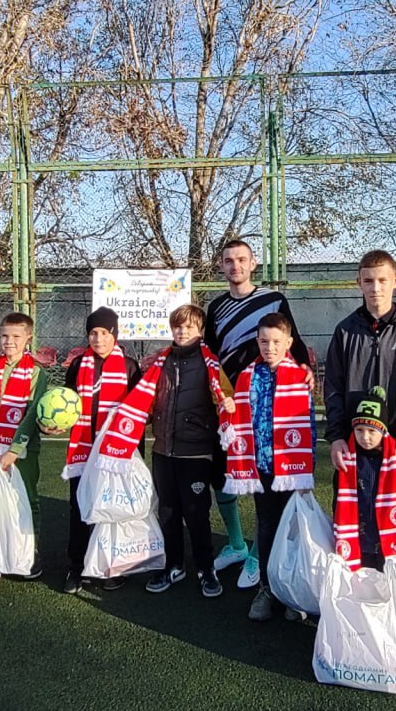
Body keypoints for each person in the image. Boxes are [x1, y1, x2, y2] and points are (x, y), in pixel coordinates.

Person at [92, 304, 235, 598]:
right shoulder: (160, 362)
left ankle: (206, 568)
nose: (182, 332)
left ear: (201, 331)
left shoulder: (210, 364)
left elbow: (226, 397)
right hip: (163, 450)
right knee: (167, 511)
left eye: (189, 327)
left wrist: (228, 405)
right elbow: (145, 400)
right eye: (178, 327)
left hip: (195, 452)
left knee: (196, 513)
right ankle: (174, 565)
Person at [324, 250, 396, 622]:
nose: (375, 288)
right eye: (368, 280)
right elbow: (333, 389)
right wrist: (336, 436)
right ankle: (357, 597)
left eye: (382, 280)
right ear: (358, 283)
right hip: (353, 450)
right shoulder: (344, 330)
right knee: (355, 521)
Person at [204, 239, 313, 589]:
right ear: (221, 266)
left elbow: (291, 340)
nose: (235, 266)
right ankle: (236, 544)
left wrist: (307, 369)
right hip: (233, 408)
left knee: (267, 483)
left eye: (241, 259)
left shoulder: (272, 300)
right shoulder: (216, 307)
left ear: (253, 264)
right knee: (226, 475)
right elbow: (211, 356)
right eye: (228, 261)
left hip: (270, 405)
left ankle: (257, 552)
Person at [219, 312, 316, 621]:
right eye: (263, 341)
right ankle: (267, 588)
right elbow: (238, 414)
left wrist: (306, 470)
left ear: (288, 342)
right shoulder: (247, 375)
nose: (269, 347)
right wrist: (231, 409)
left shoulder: (300, 376)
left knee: (293, 530)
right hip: (260, 467)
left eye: (276, 342)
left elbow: (308, 426)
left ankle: (293, 592)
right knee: (266, 528)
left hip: (291, 468)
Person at [61, 306, 143, 593]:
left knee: (111, 508)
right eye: (93, 333)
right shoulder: (77, 365)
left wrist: (133, 454)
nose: (98, 339)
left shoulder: (130, 366)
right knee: (80, 506)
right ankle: (77, 566)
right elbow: (66, 404)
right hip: (84, 449)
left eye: (104, 333)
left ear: (114, 335)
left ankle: (111, 565)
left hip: (114, 453)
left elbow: (137, 414)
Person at [332, 387, 396, 606]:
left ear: (383, 431)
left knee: (390, 583)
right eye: (359, 431)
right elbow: (339, 497)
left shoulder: (395, 460)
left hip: (388, 538)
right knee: (362, 582)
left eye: (371, 431)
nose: (365, 437)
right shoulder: (348, 460)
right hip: (360, 537)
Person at [0, 311, 50, 584]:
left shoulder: (36, 373)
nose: (9, 341)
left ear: (27, 338)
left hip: (23, 452)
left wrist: (15, 449)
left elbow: (32, 414)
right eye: (4, 335)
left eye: (16, 337)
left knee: (26, 499)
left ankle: (29, 551)